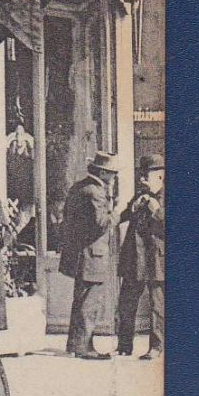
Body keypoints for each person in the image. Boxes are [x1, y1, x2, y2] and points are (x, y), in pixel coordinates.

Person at [59, 148, 121, 360]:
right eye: (112, 173)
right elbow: (101, 223)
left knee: (81, 301)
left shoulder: (79, 187)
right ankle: (83, 347)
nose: (114, 177)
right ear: (103, 173)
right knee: (90, 304)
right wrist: (117, 214)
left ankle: (76, 344)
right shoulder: (96, 192)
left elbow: (67, 218)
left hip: (80, 254)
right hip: (92, 255)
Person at [116, 154, 165, 359]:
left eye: (147, 175)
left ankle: (156, 346)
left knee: (157, 305)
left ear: (161, 177)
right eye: (141, 174)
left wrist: (157, 211)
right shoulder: (140, 195)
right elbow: (124, 216)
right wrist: (130, 208)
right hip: (134, 257)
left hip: (156, 258)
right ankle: (124, 345)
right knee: (126, 302)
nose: (142, 179)